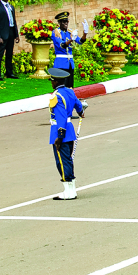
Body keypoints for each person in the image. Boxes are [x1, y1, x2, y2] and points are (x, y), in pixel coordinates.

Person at [48, 68, 86, 200]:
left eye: (52, 81)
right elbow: (78, 105)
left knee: (62, 162)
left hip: (60, 131)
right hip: (69, 130)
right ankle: (72, 190)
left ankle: (68, 192)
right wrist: (80, 112)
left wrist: (59, 136)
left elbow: (61, 117)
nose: (51, 83)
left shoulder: (56, 96)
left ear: (56, 81)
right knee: (68, 160)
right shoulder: (69, 91)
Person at [51, 11, 87, 88]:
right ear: (59, 22)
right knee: (61, 86)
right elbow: (62, 45)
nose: (66, 23)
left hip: (70, 63)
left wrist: (85, 33)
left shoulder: (70, 32)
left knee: (70, 86)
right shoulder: (56, 32)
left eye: (67, 21)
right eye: (64, 21)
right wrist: (71, 40)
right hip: (61, 63)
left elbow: (80, 41)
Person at [0, 0, 19, 80]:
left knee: (9, 53)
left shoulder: (11, 7)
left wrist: (16, 35)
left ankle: (9, 73)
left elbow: (14, 21)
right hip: (2, 34)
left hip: (11, 32)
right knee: (0, 54)